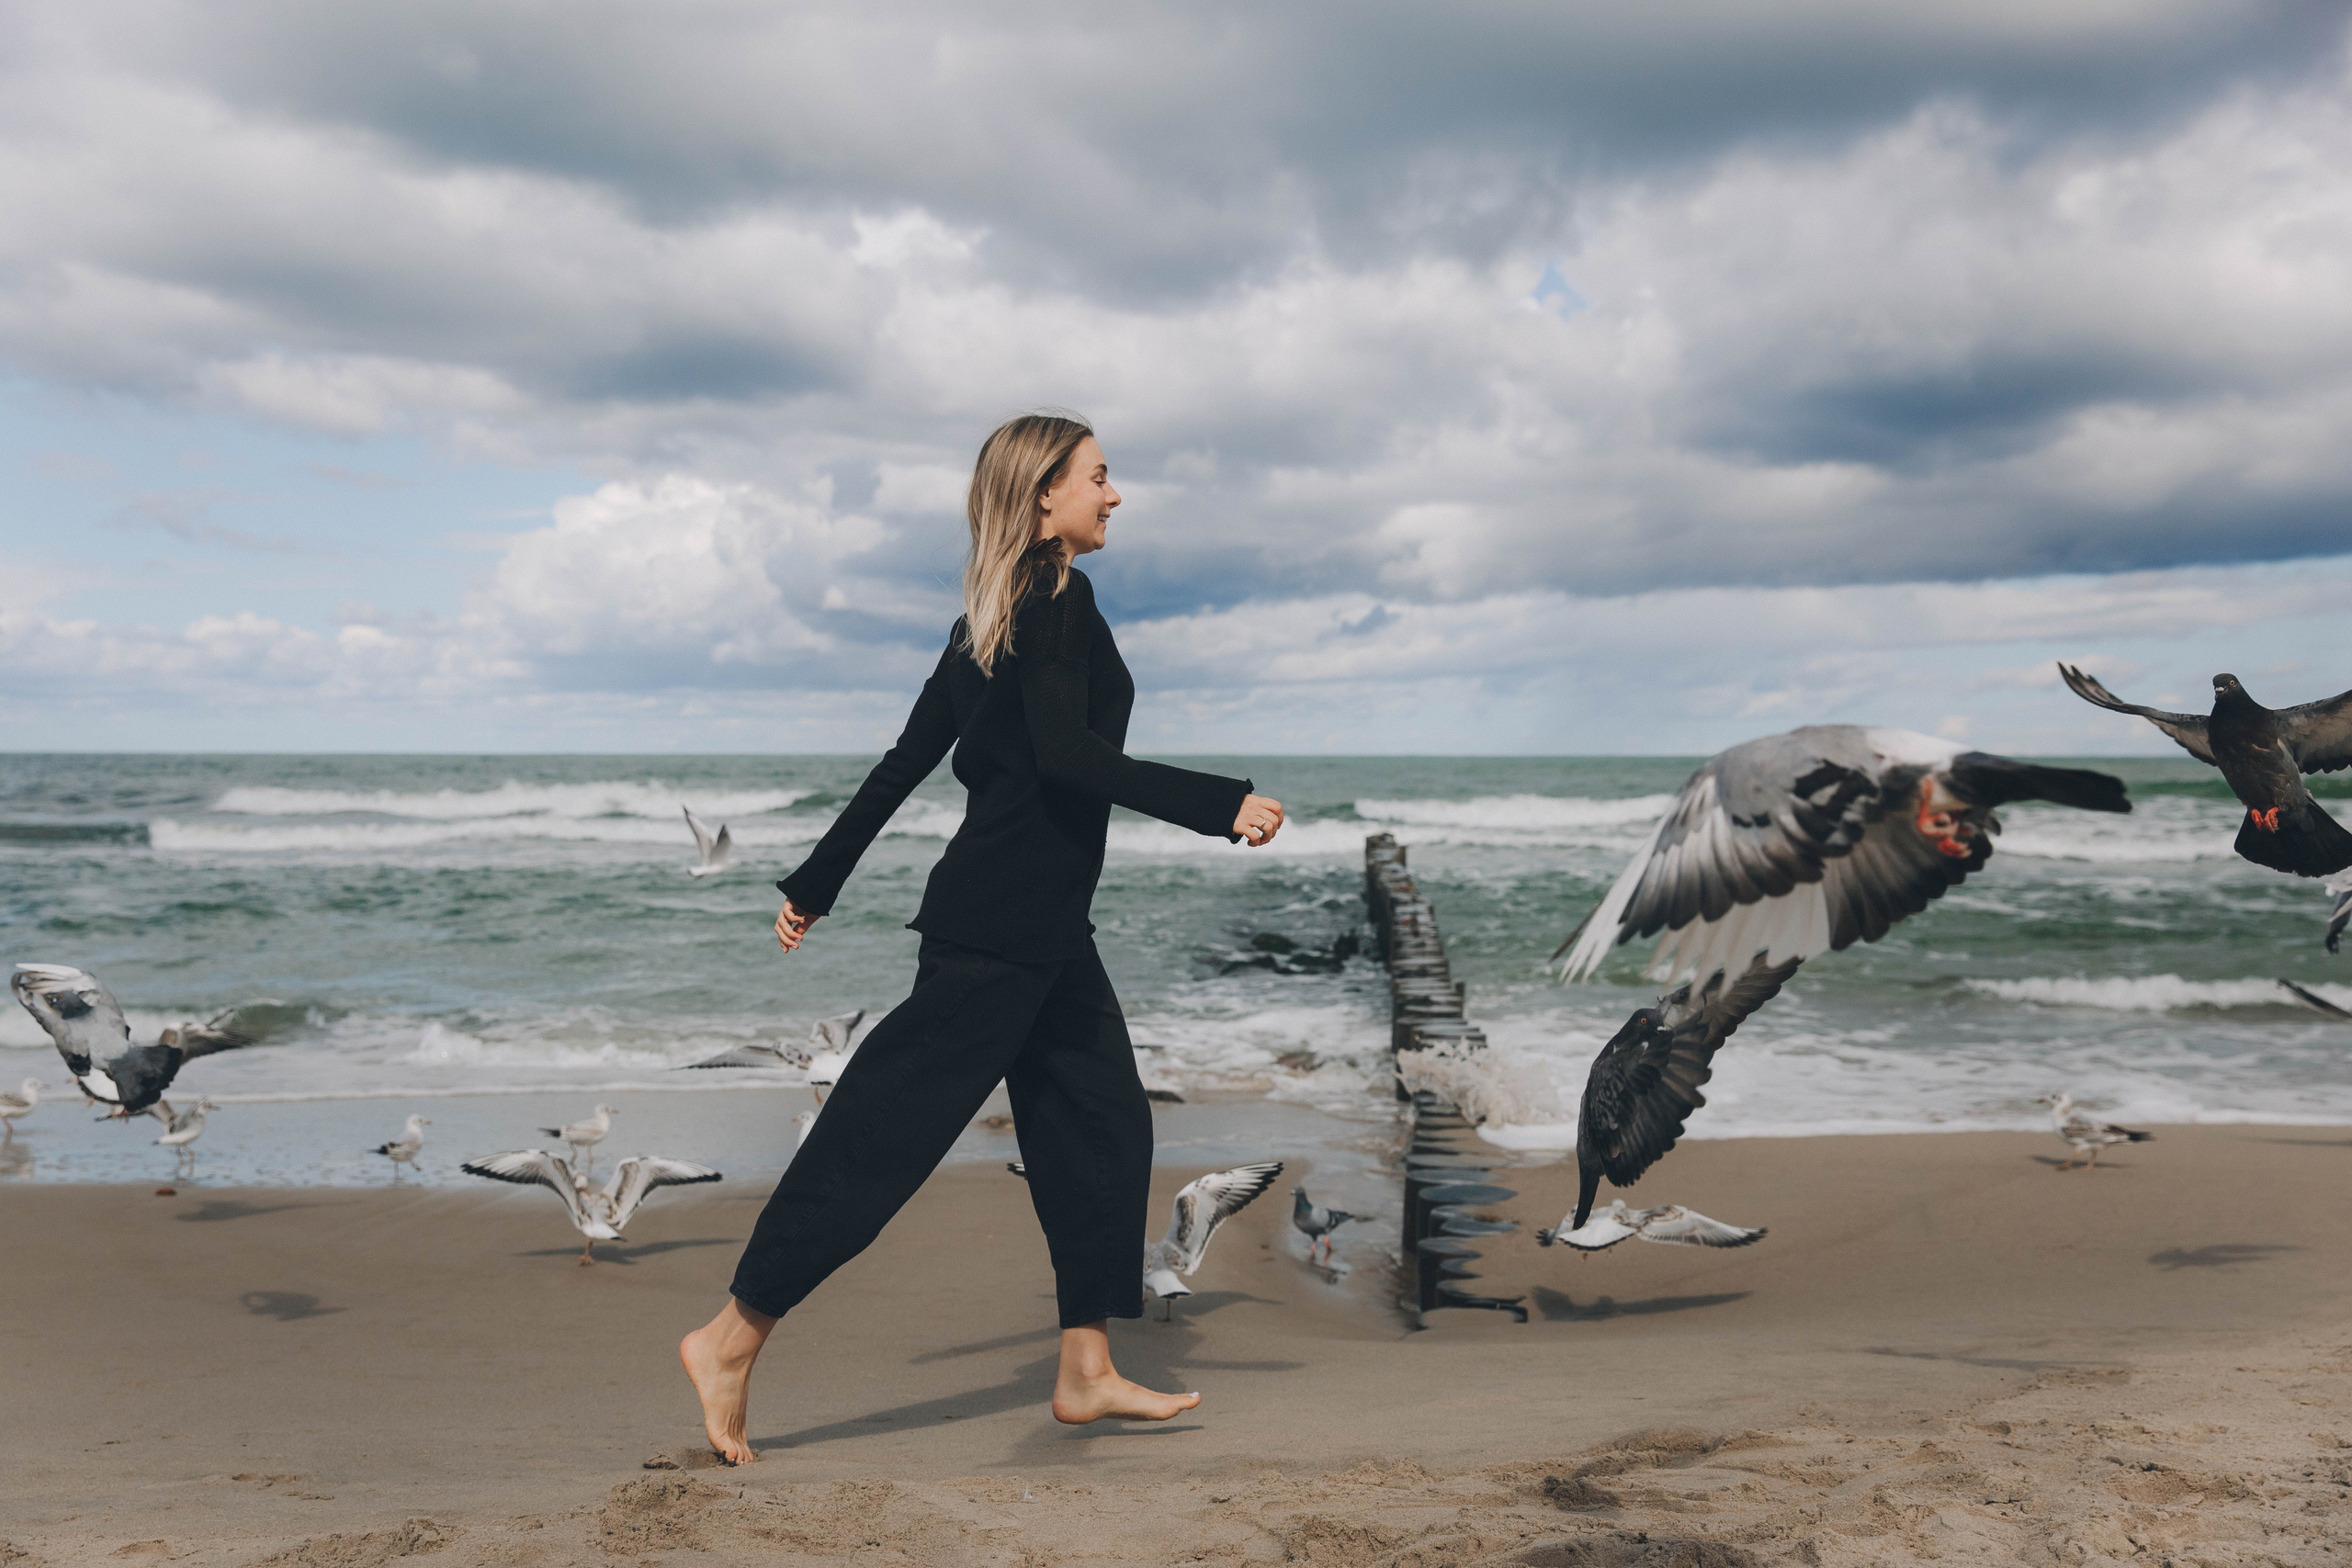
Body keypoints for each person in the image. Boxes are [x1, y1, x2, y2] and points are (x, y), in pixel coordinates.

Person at [679, 412, 1286, 1463]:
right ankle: (729, 1338)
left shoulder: (993, 613)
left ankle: (1085, 1368)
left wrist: (816, 883)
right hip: (999, 930)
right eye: (1100, 476)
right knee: (882, 1136)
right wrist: (1218, 801)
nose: (1115, 493)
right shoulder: (1048, 599)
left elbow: (903, 760)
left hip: (1042, 931)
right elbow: (1066, 756)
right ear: (1043, 495)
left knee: (1102, 1132)